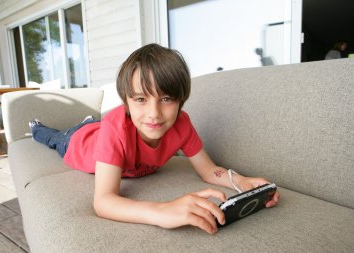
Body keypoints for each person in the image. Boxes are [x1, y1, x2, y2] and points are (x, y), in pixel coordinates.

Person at [29, 43, 279, 235]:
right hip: (78, 143)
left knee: (93, 125)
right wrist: (162, 210)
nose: (154, 114)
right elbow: (104, 201)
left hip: (99, 130)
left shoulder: (182, 124)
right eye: (140, 99)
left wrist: (241, 181)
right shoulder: (115, 127)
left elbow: (209, 171)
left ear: (180, 99)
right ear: (126, 101)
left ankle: (88, 122)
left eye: (166, 99)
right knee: (53, 138)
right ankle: (38, 127)